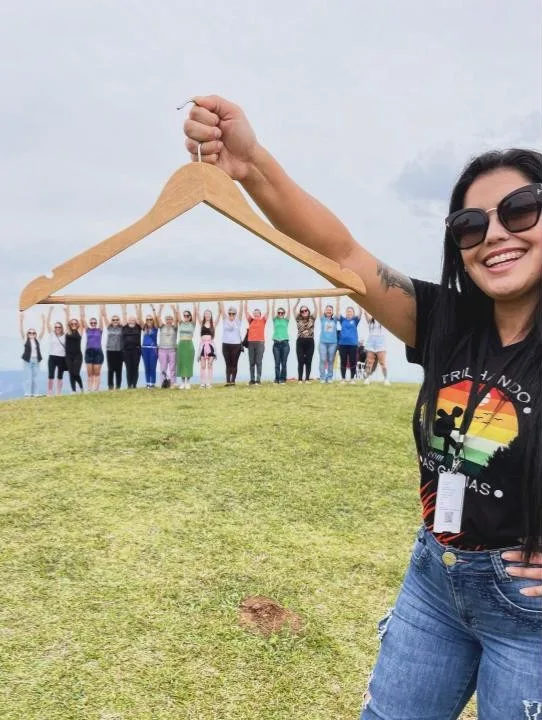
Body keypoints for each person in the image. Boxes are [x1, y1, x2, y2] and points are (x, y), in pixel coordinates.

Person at [184, 98, 542, 717]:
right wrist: (250, 164)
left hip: (529, 614)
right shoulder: (445, 320)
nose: (494, 236)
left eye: (521, 209)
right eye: (470, 225)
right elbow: (342, 254)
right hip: (435, 581)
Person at [20, 311, 45, 397]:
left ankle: (35, 393)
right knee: (28, 378)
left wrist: (43, 321)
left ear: (35, 334)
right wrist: (21, 321)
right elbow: (21, 331)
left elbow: (42, 332)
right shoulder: (25, 340)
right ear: (27, 334)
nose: (32, 334)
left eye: (33, 333)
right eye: (30, 333)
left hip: (36, 361)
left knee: (35, 378)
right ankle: (27, 393)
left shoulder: (37, 341)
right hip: (27, 361)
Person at [244, 300, 269, 385]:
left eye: (257, 312)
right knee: (251, 362)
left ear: (260, 314)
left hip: (260, 343)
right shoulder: (251, 320)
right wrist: (246, 301)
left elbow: (268, 312)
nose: (255, 313)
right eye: (254, 312)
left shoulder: (263, 320)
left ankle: (258, 380)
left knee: (258, 362)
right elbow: (245, 311)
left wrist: (267, 301)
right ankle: (252, 380)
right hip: (251, 343)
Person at [363, 310, 390, 386]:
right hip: (371, 344)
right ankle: (367, 379)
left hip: (381, 344)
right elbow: (365, 312)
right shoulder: (370, 321)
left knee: (382, 363)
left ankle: (386, 379)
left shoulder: (383, 321)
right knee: (369, 363)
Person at [219, 301, 243, 386]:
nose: (231, 315)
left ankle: (233, 381)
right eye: (230, 313)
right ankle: (228, 381)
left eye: (233, 313)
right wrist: (220, 302)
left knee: (234, 363)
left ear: (235, 314)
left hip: (236, 345)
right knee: (228, 363)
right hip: (226, 345)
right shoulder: (225, 320)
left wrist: (242, 302)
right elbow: (222, 310)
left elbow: (241, 311)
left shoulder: (238, 321)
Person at [81, 307, 104, 391]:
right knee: (90, 373)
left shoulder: (100, 330)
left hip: (98, 352)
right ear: (90, 323)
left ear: (96, 323)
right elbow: (83, 319)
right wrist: (82, 308)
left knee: (97, 373)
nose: (93, 324)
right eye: (91, 323)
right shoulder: (88, 330)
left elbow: (101, 319)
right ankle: (90, 389)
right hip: (89, 352)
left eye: (94, 322)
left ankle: (96, 389)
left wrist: (101, 310)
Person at [293, 297, 316, 382]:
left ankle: (307, 379)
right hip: (300, 341)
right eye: (302, 311)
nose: (304, 312)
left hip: (310, 341)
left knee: (308, 361)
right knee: (301, 361)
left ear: (308, 311)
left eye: (305, 310)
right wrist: (297, 302)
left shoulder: (312, 318)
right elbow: (293, 310)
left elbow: (316, 309)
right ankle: (300, 379)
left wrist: (313, 300)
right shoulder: (298, 319)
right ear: (300, 313)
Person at [318, 297, 340, 383]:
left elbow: (338, 312)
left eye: (330, 310)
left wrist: (337, 301)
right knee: (323, 359)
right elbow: (319, 309)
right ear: (325, 311)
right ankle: (322, 377)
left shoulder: (335, 320)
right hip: (323, 342)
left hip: (333, 343)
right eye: (327, 310)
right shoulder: (322, 318)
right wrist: (320, 300)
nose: (328, 311)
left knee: (331, 360)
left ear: (332, 312)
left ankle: (329, 377)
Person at [155, 304, 178, 387]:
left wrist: (174, 309)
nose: (169, 320)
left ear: (172, 320)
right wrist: (160, 308)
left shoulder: (175, 327)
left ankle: (173, 383)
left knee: (172, 368)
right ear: (165, 320)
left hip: (172, 350)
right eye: (167, 319)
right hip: (162, 350)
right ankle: (163, 383)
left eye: (170, 319)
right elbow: (158, 318)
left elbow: (177, 319)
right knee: (163, 368)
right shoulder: (162, 326)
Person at [101, 306, 123, 390]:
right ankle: (110, 386)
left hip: (119, 351)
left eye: (117, 319)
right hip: (110, 351)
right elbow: (105, 316)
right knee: (110, 369)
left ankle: (118, 386)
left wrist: (123, 308)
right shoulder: (109, 327)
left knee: (118, 369)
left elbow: (125, 319)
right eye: (113, 320)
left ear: (119, 320)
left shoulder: (122, 328)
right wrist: (103, 309)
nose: (115, 321)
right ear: (111, 321)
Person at [196, 305, 219, 388]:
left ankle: (209, 383)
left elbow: (219, 315)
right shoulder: (202, 323)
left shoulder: (213, 324)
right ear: (204, 315)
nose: (207, 315)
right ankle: (202, 383)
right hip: (203, 346)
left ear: (211, 315)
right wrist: (197, 305)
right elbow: (197, 314)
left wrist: (219, 304)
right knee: (203, 365)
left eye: (209, 314)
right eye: (206, 314)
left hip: (210, 346)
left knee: (209, 364)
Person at [45, 308, 66, 396]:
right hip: (52, 357)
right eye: (56, 327)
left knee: (60, 376)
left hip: (61, 357)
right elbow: (47, 323)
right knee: (51, 375)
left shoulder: (64, 335)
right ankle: (49, 392)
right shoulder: (52, 334)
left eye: (59, 327)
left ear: (62, 328)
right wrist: (50, 311)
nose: (57, 328)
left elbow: (68, 323)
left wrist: (66, 312)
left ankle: (58, 392)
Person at [175, 304, 196, 389]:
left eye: (187, 315)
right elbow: (178, 314)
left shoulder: (192, 324)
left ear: (190, 317)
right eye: (184, 315)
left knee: (188, 363)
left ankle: (188, 382)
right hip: (181, 345)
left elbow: (195, 314)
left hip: (189, 344)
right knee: (181, 363)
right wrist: (177, 308)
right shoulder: (181, 323)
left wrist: (195, 306)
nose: (186, 317)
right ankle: (183, 382)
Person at [338, 305, 361, 383]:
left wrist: (359, 305)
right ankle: (343, 379)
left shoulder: (355, 320)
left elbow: (360, 313)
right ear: (346, 313)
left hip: (353, 344)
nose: (349, 313)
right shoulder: (342, 320)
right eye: (348, 311)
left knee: (352, 361)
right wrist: (338, 302)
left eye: (350, 312)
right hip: (342, 344)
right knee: (343, 361)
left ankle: (352, 379)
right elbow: (337, 314)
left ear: (353, 313)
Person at [121, 304, 142, 389]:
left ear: (135, 321)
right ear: (127, 321)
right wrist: (124, 308)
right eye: (130, 319)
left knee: (135, 367)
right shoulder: (124, 327)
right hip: (126, 351)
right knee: (128, 368)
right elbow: (124, 315)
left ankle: (134, 385)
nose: (131, 321)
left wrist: (138, 308)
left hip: (136, 350)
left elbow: (139, 317)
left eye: (133, 319)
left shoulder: (138, 327)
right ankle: (129, 385)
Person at [64, 306, 84, 393]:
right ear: (70, 325)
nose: (74, 325)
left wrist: (81, 309)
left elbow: (82, 320)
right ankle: (74, 390)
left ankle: (81, 388)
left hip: (78, 356)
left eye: (75, 323)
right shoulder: (68, 331)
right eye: (72, 324)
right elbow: (67, 321)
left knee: (76, 373)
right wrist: (67, 311)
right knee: (71, 373)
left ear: (78, 324)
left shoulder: (80, 331)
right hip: (68, 356)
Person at [271, 299, 290, 383]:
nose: (280, 314)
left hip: (285, 343)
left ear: (284, 313)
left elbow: (289, 311)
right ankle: (277, 379)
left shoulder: (286, 320)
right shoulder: (275, 320)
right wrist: (273, 302)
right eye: (279, 312)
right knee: (277, 363)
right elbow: (272, 312)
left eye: (282, 313)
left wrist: (288, 303)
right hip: (276, 344)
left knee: (284, 363)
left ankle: (283, 379)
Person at [141, 308, 159, 389]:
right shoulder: (144, 328)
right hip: (145, 349)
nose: (149, 321)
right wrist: (139, 307)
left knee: (152, 366)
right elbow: (139, 318)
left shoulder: (155, 328)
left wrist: (154, 310)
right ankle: (148, 383)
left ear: (153, 320)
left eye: (150, 319)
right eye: (147, 319)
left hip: (153, 349)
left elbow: (156, 319)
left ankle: (152, 383)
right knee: (147, 366)